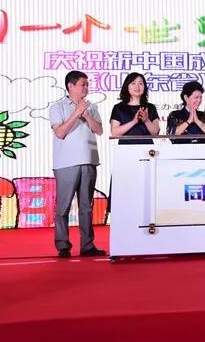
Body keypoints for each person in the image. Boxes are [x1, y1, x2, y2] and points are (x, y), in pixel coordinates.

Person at [49, 70, 105, 258]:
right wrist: (76, 113)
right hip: (66, 163)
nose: (86, 88)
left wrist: (87, 115)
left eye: (87, 84)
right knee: (63, 207)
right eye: (83, 84)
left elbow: (99, 130)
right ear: (70, 86)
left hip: (89, 160)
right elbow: (60, 133)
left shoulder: (92, 107)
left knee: (86, 207)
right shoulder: (57, 107)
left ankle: (87, 245)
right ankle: (63, 245)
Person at [110, 72, 160, 144]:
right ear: (127, 86)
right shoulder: (118, 108)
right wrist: (134, 121)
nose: (137, 86)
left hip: (147, 148)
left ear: (144, 87)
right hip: (125, 147)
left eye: (140, 83)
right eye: (133, 83)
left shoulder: (150, 107)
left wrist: (146, 121)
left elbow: (155, 133)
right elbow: (114, 133)